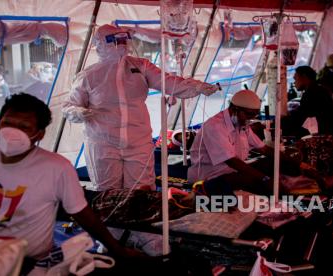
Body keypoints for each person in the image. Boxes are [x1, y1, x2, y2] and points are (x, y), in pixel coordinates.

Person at [0, 93, 139, 262]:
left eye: (24, 128)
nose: (13, 132)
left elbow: (84, 215)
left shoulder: (57, 167)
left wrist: (116, 249)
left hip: (29, 258)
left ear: (39, 135)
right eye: (8, 123)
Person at [63, 24, 219, 191]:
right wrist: (78, 112)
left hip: (138, 141)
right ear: (102, 43)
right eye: (116, 41)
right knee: (107, 191)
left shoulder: (141, 66)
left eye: (124, 39)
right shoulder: (89, 75)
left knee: (141, 190)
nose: (122, 44)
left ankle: (139, 216)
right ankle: (113, 217)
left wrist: (197, 87)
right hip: (103, 143)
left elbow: (169, 82)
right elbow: (69, 106)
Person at [187, 90, 274, 196]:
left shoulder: (241, 123)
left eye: (254, 116)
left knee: (269, 166)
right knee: (257, 181)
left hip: (230, 172)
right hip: (209, 177)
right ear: (234, 109)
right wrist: (264, 178)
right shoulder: (215, 126)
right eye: (249, 114)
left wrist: (288, 159)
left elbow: (263, 148)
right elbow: (232, 162)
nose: (250, 119)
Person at [283, 66, 333, 137]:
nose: (294, 83)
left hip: (320, 131)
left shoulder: (312, 93)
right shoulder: (318, 90)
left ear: (304, 77)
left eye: (295, 79)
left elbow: (302, 116)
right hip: (324, 128)